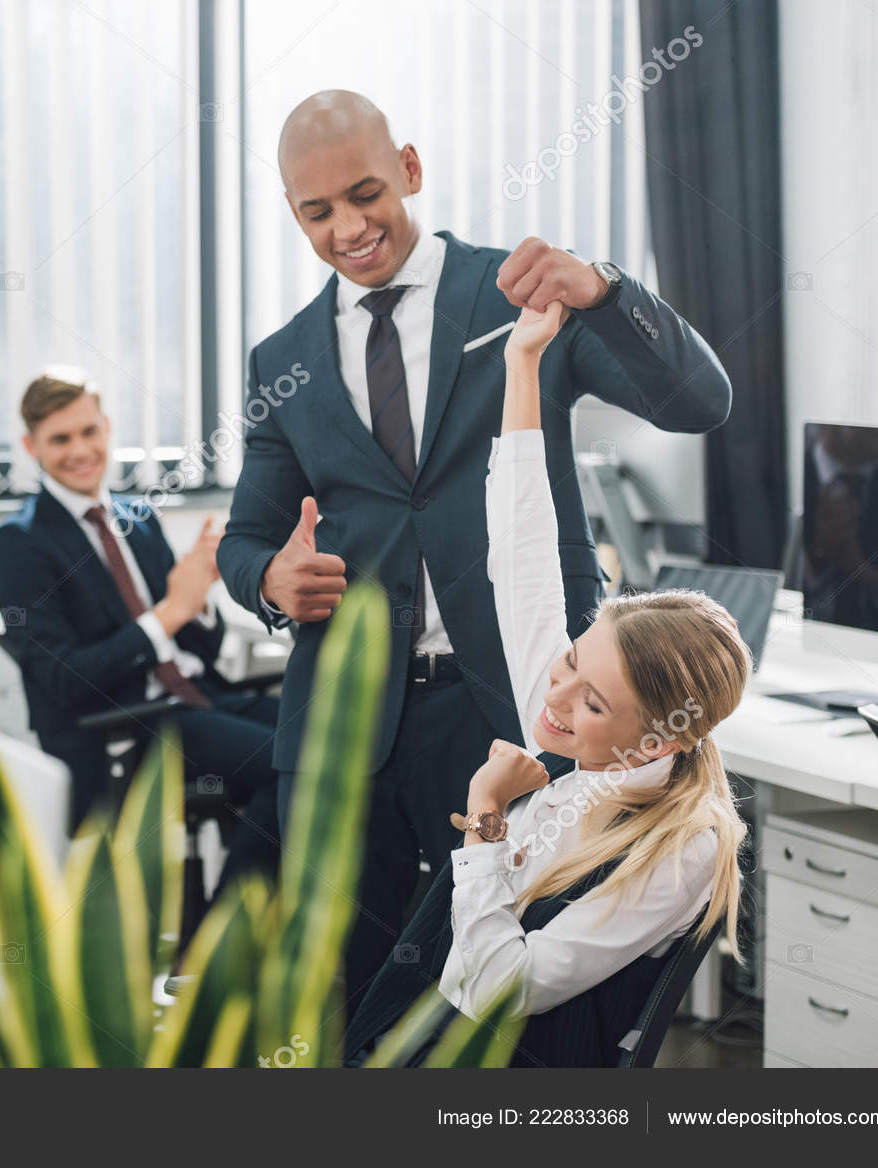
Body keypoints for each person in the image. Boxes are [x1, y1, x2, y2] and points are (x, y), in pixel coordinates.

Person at [215, 90, 734, 1015]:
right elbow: (247, 537)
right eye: (317, 211)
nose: (349, 227)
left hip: (526, 704)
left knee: (507, 991)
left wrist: (608, 293)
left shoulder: (525, 294)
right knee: (344, 985)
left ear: (410, 169)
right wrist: (266, 579)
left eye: (366, 193)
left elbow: (700, 405)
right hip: (347, 723)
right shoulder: (280, 359)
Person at [341, 300, 749, 1067]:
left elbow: (499, 989)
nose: (554, 701)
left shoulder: (683, 843)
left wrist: (487, 818)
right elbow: (523, 554)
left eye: (594, 702)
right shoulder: (568, 732)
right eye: (570, 664)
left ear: (662, 735)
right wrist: (522, 364)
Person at [0, 371, 281, 885]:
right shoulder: (20, 544)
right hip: (123, 729)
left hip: (199, 700)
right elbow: (65, 680)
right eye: (60, 439)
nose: (80, 450)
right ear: (31, 446)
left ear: (107, 428)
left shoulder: (138, 519)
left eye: (88, 432)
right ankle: (225, 944)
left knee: (334, 739)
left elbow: (200, 653)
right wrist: (168, 612)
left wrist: (198, 598)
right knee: (292, 767)